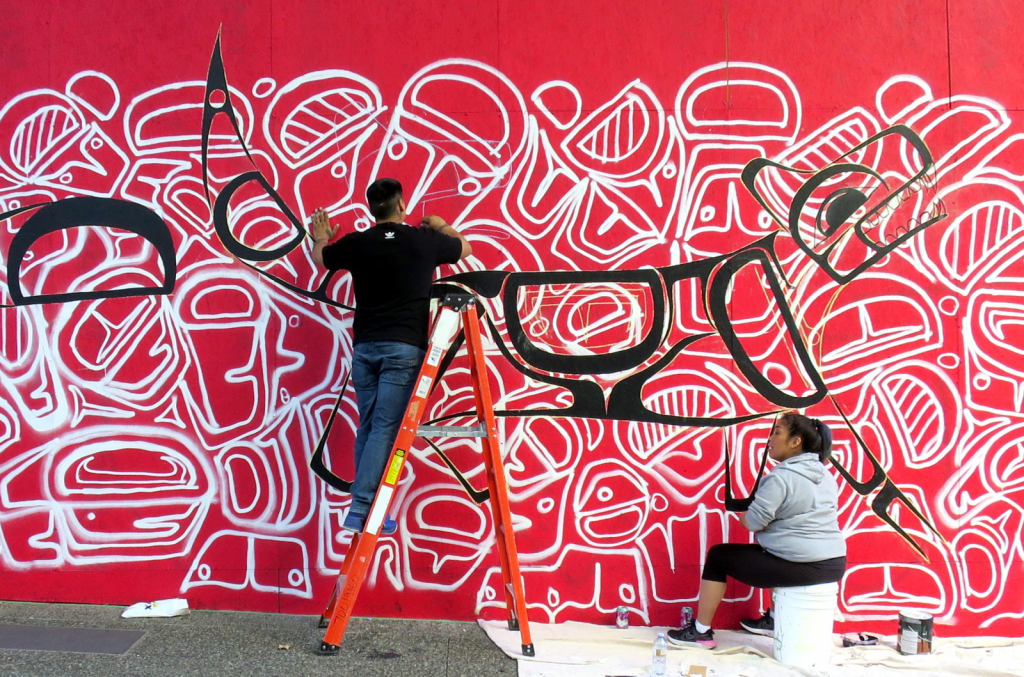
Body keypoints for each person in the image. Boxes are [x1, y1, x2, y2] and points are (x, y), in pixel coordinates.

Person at [309, 177, 471, 534]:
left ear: (372, 209)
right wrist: (440, 224)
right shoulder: (423, 241)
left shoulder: (358, 243)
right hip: (404, 350)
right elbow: (465, 247)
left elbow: (321, 257)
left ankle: (361, 507)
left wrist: (321, 235)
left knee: (368, 426)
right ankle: (364, 508)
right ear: (401, 205)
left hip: (366, 348)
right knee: (384, 428)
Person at [667, 412, 847, 649]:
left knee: (718, 556)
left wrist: (744, 515)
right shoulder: (825, 475)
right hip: (834, 562)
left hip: (805, 566)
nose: (770, 438)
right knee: (775, 549)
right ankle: (772, 620)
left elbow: (753, 522)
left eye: (777, 432)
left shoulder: (782, 477)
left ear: (796, 442)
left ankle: (700, 633)